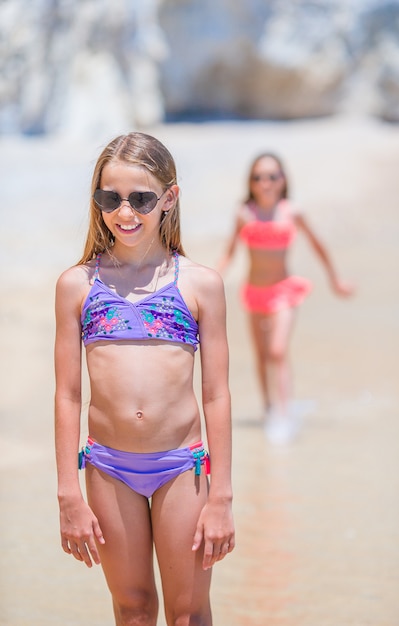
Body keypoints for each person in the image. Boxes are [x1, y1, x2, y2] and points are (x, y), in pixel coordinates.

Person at [54, 132, 235, 626]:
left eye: (141, 198)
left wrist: (221, 498)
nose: (125, 212)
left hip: (183, 468)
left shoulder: (199, 285)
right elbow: (68, 396)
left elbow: (216, 395)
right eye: (110, 198)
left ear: (169, 199)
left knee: (187, 612)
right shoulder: (77, 285)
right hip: (108, 468)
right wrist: (68, 492)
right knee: (133, 610)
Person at [218, 152, 354, 444]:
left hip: (283, 291)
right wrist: (209, 280)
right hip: (254, 292)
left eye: (272, 176)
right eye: (258, 177)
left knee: (278, 351)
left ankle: (283, 415)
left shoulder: (292, 211)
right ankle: (269, 408)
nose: (265, 183)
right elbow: (229, 254)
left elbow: (318, 245)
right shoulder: (244, 213)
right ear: (250, 183)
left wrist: (336, 279)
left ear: (283, 180)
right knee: (261, 355)